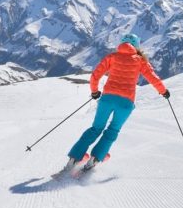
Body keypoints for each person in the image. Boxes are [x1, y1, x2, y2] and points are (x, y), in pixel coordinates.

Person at [61, 33, 169, 173]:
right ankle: (95, 159)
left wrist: (94, 91)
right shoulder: (140, 61)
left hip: (107, 99)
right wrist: (163, 91)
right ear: (137, 46)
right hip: (126, 103)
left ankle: (74, 159)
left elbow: (95, 75)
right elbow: (153, 78)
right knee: (112, 131)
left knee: (96, 128)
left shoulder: (112, 57)